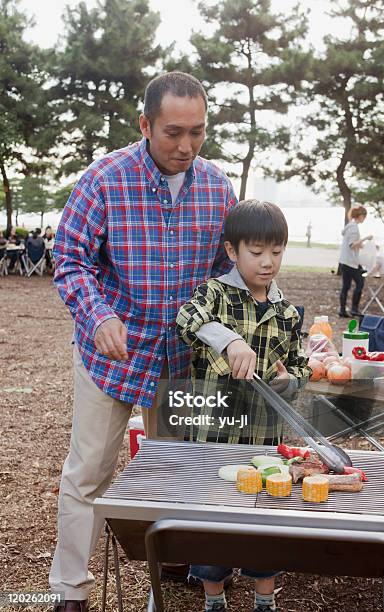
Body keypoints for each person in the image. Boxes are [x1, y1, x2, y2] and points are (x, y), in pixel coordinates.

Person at [50, 71, 237, 611]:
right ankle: (69, 589)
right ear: (145, 124)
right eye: (173, 132)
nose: (186, 146)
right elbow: (70, 260)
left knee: (178, 471)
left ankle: (175, 558)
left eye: (197, 132)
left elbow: (229, 272)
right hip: (110, 356)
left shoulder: (217, 186)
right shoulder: (104, 178)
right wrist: (98, 315)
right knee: (88, 473)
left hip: (181, 359)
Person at [176, 200, 310, 612]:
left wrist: (292, 381)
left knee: (264, 520)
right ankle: (213, 599)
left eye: (276, 251)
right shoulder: (215, 294)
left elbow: (302, 363)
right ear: (232, 251)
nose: (268, 262)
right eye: (256, 252)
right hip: (213, 435)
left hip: (264, 439)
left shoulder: (286, 312)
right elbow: (185, 319)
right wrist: (229, 340)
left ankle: (264, 598)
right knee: (213, 519)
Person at [338, 205, 373, 317]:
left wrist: (365, 246)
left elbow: (353, 244)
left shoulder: (350, 226)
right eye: (364, 216)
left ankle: (342, 310)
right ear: (360, 216)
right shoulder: (353, 227)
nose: (364, 219)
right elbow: (352, 244)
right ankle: (354, 309)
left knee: (346, 286)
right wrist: (366, 238)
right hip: (350, 262)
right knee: (360, 283)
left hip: (345, 260)